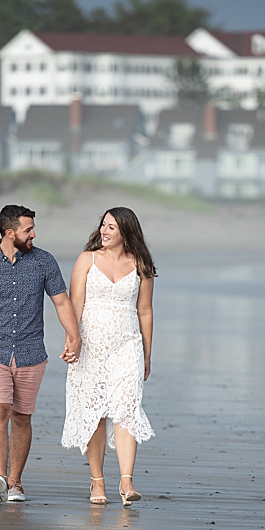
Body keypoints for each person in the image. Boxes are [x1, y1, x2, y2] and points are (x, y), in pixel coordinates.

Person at [0, 204, 81, 503]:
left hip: (31, 352)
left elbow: (62, 303)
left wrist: (74, 337)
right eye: (28, 230)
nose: (33, 234)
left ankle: (15, 483)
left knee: (22, 418)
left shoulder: (44, 262)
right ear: (10, 233)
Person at [61, 207, 156, 506]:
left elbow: (145, 310)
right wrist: (72, 340)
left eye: (111, 227)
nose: (104, 231)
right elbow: (75, 303)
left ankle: (126, 482)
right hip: (91, 346)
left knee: (127, 408)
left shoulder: (141, 264)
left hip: (127, 346)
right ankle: (97, 482)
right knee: (96, 411)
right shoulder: (86, 259)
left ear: (126, 232)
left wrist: (147, 354)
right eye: (103, 225)